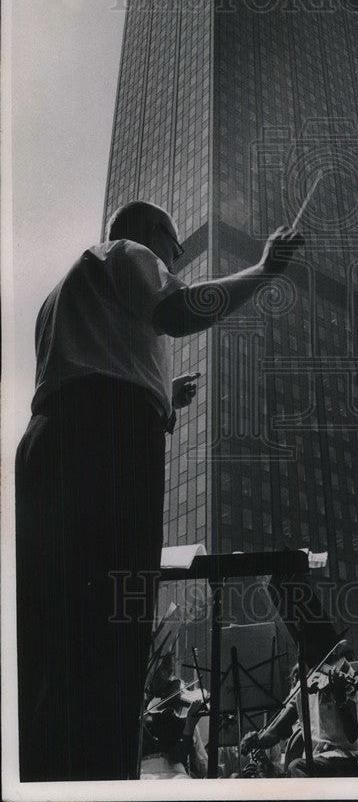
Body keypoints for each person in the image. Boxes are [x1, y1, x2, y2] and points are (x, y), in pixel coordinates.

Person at [15, 200, 302, 781]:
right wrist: (265, 270)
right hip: (109, 444)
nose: (173, 261)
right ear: (152, 235)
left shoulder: (61, 293)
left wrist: (160, 396)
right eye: (174, 250)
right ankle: (98, 779)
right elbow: (177, 309)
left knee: (54, 633)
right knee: (115, 630)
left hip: (50, 444)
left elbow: (87, 372)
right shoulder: (129, 252)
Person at [241, 654, 358, 777]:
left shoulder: (344, 673)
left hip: (347, 759)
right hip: (316, 761)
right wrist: (256, 740)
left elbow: (353, 735)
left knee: (296, 767)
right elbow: (276, 732)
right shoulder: (303, 686)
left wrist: (340, 700)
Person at [140, 653, 208, 779]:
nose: (167, 676)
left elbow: (176, 756)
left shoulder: (174, 717)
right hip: (146, 772)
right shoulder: (146, 710)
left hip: (174, 773)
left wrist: (189, 726)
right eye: (162, 670)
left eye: (168, 671)